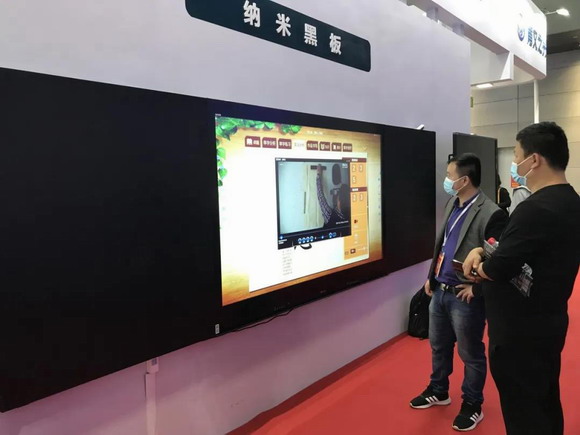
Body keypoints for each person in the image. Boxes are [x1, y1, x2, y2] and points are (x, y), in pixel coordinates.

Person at [462, 122, 580, 435]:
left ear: (534, 160)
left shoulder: (534, 209)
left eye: (516, 155)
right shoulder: (571, 202)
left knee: (524, 412)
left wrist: (479, 264)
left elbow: (499, 267)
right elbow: (518, 250)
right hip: (548, 321)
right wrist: (484, 249)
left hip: (519, 333)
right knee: (544, 401)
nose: (515, 163)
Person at [409, 153, 508, 432]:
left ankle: (472, 403)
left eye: (450, 176)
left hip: (465, 296)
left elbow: (499, 258)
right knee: (438, 346)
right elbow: (442, 246)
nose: (446, 180)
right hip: (440, 290)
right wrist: (431, 278)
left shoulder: (492, 213)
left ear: (464, 180)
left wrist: (478, 288)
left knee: (470, 353)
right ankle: (438, 390)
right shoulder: (453, 203)